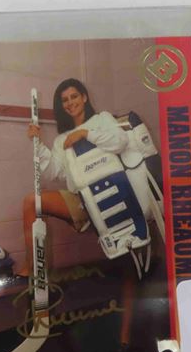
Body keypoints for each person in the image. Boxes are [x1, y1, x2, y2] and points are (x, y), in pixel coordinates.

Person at [17, 78, 129, 277]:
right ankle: (33, 269)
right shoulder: (62, 139)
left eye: (74, 96)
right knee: (31, 202)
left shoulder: (102, 119)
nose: (70, 102)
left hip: (114, 194)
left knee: (128, 264)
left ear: (84, 97)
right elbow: (54, 173)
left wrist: (85, 134)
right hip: (82, 200)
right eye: (65, 100)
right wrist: (38, 144)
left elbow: (120, 142)